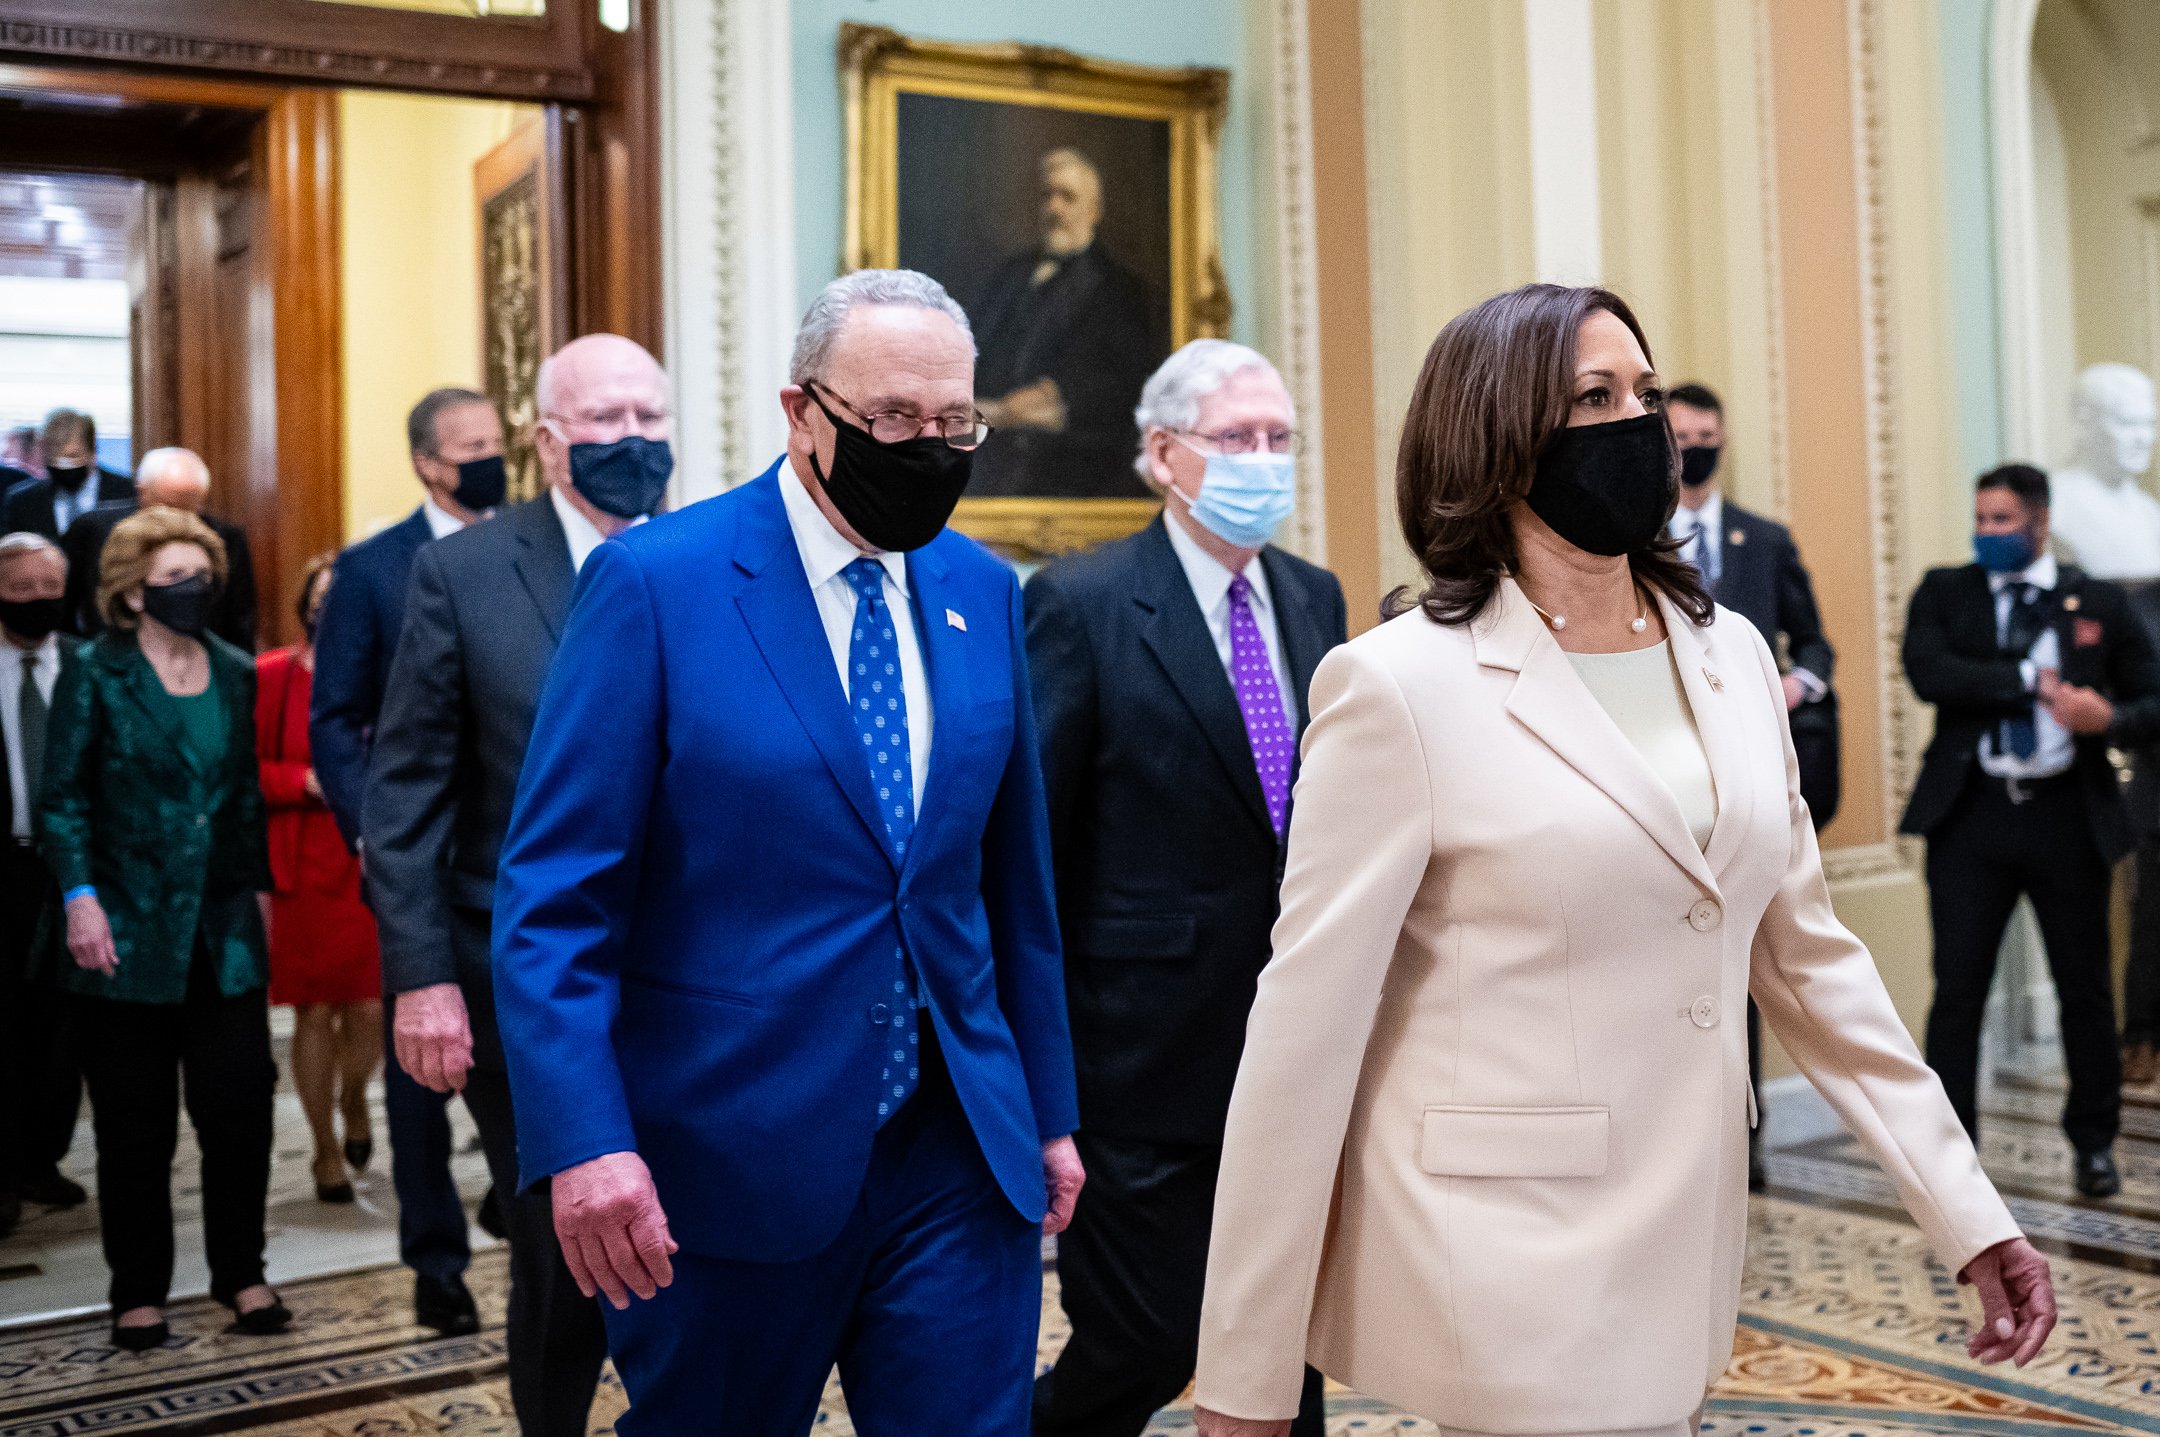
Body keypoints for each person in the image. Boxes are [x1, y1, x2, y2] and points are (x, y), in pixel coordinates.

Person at [1189, 284, 2053, 1437]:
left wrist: (1967, 1211)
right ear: (1498, 443)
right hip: (1504, 1248)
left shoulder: (1730, 653)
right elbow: (1306, 1031)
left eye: (1646, 390)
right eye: (1594, 398)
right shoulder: (1400, 686)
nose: (1644, 425)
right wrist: (1244, 1375)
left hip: (1685, 1234)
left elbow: (1806, 962)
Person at [490, 269, 1082, 1435]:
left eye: (956, 423)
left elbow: (1013, 884)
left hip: (959, 1143)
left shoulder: (982, 589)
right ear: (801, 411)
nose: (930, 448)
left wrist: (1049, 1108)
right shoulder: (657, 584)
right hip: (724, 1157)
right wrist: (586, 1140)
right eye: (894, 421)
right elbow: (555, 898)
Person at [1026, 339, 1341, 1437]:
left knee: (1285, 1343)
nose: (1265, 459)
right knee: (1145, 1339)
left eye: (1279, 438)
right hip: (1139, 1057)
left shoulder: (1313, 595)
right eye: (1236, 439)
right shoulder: (1082, 602)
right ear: (1163, 455)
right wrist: (1047, 1076)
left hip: (1292, 1045)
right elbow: (1037, 848)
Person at [364, 338, 662, 1435]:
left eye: (650, 413)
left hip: (681, 968)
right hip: (519, 973)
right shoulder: (465, 573)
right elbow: (404, 799)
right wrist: (421, 980)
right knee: (562, 1226)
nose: (633, 439)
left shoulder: (700, 555)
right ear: (548, 441)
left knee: (686, 1220)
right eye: (605, 418)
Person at [37, 506, 287, 1351]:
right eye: (174, 579)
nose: (194, 591)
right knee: (134, 1126)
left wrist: (261, 900)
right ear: (132, 593)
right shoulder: (94, 671)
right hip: (123, 931)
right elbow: (63, 797)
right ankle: (137, 1291)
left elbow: (245, 799)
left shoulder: (234, 668)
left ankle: (242, 1272)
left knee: (239, 1108)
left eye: (202, 576)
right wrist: (79, 895)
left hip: (221, 933)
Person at [1901, 463, 2160, 1197]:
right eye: (1980, 519)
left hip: (2065, 818)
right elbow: (1930, 670)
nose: (1986, 533)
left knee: (2085, 989)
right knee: (1958, 990)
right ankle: (1951, 1159)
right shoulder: (1945, 591)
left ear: (2039, 523)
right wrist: (2022, 680)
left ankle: (2094, 1143)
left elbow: (2151, 698)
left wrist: (2107, 718)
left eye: (2001, 521)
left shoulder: (2098, 601)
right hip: (1971, 816)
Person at [309, 385, 504, 1337]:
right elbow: (333, 718)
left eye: (500, 442)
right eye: (474, 446)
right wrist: (372, 828)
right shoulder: (373, 568)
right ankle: (436, 1256)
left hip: (526, 852)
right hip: (422, 860)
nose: (492, 458)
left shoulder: (538, 546)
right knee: (426, 1062)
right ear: (431, 461)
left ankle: (526, 1196)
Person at [1666, 380, 1840, 1189]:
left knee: (1745, 964)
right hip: (1663, 786)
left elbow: (1815, 648)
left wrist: (1794, 686)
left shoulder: (1762, 540)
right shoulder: (1628, 540)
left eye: (1708, 432)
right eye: (1682, 432)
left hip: (1747, 780)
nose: (1696, 445)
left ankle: (1748, 1136)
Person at [257, 554, 381, 1205]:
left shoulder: (386, 674)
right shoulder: (272, 675)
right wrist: (299, 781)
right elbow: (244, 769)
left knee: (370, 1005)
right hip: (304, 862)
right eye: (320, 595)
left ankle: (356, 1097)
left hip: (369, 858)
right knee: (314, 1010)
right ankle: (324, 1148)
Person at [969, 148, 1162, 500]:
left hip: (1073, 465)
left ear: (1094, 211)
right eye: (1047, 196)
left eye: (1067, 197)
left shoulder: (1122, 290)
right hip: (988, 450)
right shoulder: (1011, 275)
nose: (1054, 209)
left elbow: (1129, 385)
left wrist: (1055, 394)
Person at [0, 532, 84, 1239]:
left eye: (45, 588)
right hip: (5, 866)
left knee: (62, 1027)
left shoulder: (86, 665)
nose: (34, 601)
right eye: (19, 589)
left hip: (70, 871)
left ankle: (41, 1159)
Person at [62, 447, 258, 650]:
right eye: (168, 505)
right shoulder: (93, 530)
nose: (175, 519)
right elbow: (65, 610)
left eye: (187, 509)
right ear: (142, 492)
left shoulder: (226, 539)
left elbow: (240, 625)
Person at [0, 408, 134, 542]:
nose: (64, 466)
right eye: (55, 458)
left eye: (73, 456)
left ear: (92, 450)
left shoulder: (128, 494)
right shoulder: (23, 502)